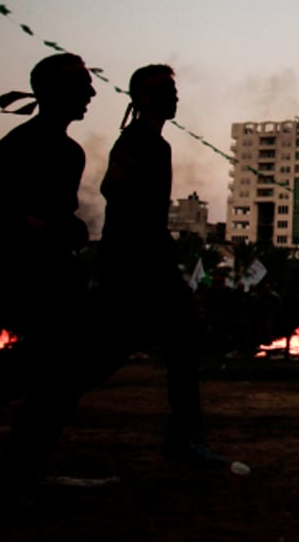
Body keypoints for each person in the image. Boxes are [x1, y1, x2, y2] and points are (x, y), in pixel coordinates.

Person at [0, 53, 95, 495]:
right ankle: (16, 474)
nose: (91, 93)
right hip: (25, 274)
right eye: (82, 84)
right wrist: (32, 221)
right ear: (53, 92)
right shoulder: (27, 141)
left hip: (50, 273)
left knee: (49, 373)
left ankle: (8, 462)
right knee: (55, 374)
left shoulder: (67, 150)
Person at [89, 64, 224, 467]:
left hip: (144, 257)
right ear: (144, 97)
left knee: (179, 340)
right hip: (135, 260)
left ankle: (185, 436)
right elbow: (112, 186)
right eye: (166, 89)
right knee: (104, 352)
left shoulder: (153, 143)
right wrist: (142, 229)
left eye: (175, 89)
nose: (175, 96)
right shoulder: (138, 140)